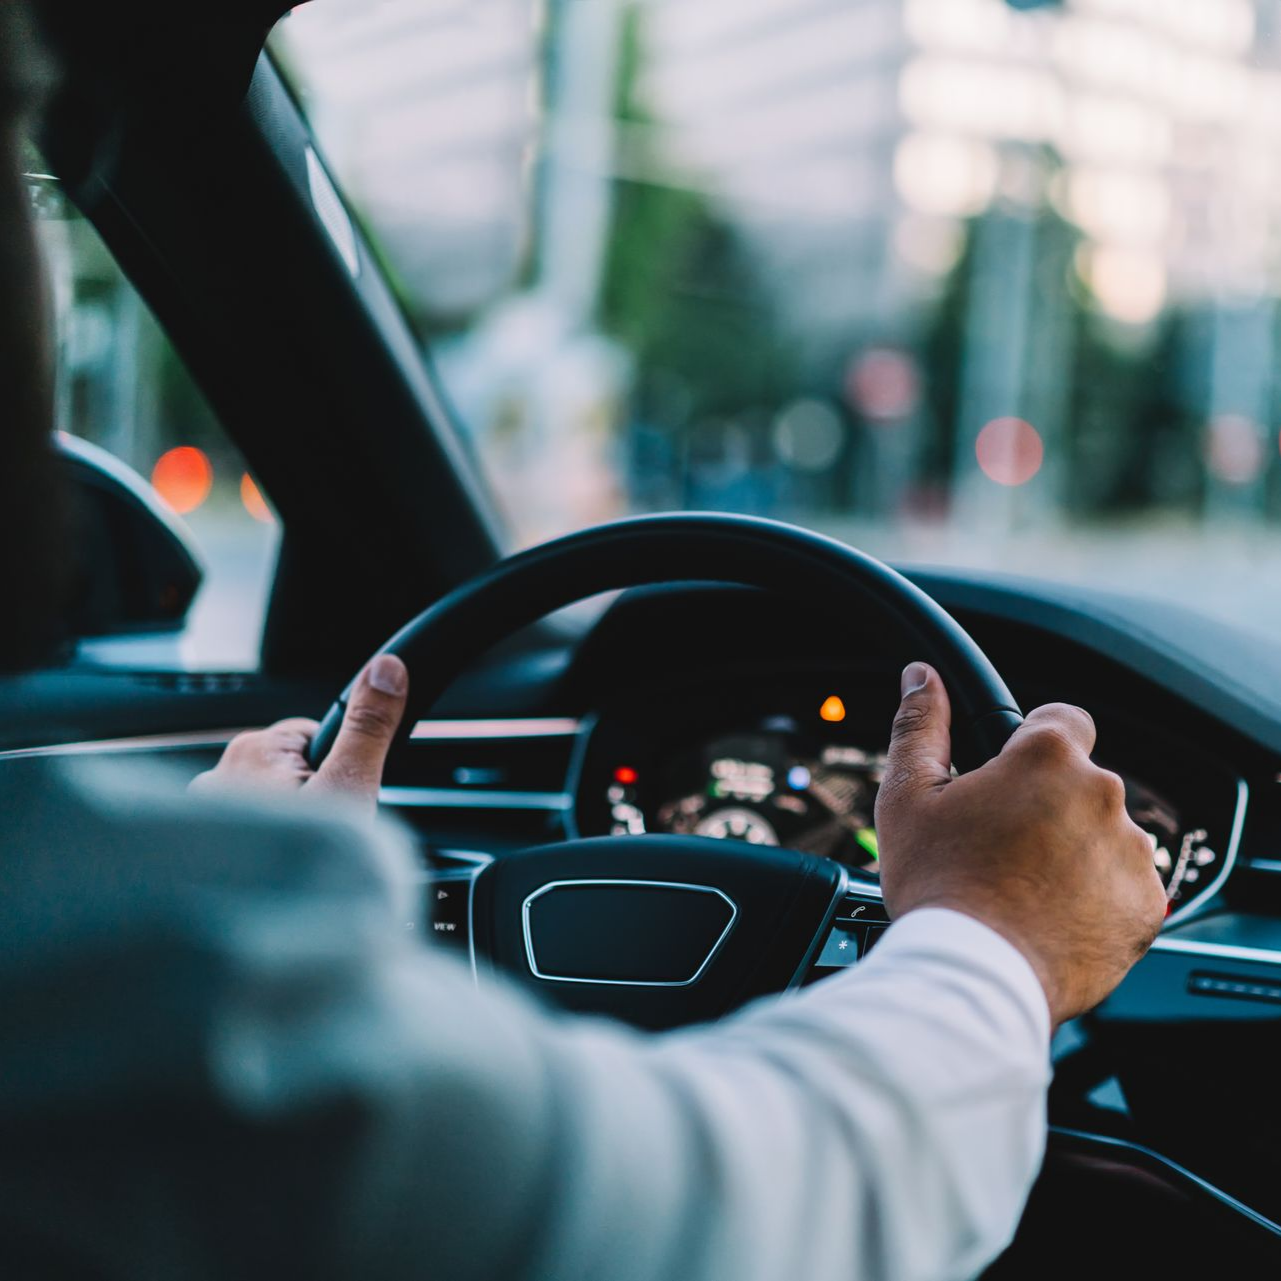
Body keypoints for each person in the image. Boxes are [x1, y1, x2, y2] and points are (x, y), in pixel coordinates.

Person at [0, 6, 1167, 1279]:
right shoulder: (133, 994)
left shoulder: (93, 950)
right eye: (29, 176)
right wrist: (998, 935)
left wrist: (234, 902)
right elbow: (730, 1224)